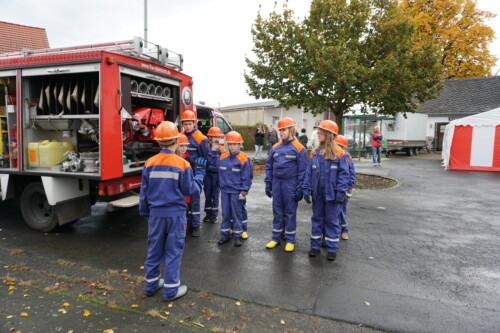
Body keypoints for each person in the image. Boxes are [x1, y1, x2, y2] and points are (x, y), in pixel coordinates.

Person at [139, 121, 206, 301]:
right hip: (175, 215)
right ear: (176, 140)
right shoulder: (182, 164)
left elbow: (144, 194)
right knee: (173, 252)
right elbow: (191, 191)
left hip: (155, 215)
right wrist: (199, 175)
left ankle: (151, 285)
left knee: (154, 251)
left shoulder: (149, 163)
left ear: (159, 142)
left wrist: (147, 213)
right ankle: (170, 290)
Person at [303, 120, 349, 261]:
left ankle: (332, 248)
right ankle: (315, 246)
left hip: (333, 195)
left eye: (321, 132)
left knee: (332, 221)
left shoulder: (340, 153)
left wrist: (341, 193)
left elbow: (344, 175)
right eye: (318, 132)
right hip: (318, 194)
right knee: (317, 220)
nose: (318, 134)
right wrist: (306, 188)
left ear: (329, 134)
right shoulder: (315, 152)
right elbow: (309, 172)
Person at [265, 117, 307, 252]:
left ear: (291, 130)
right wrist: (268, 184)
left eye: (284, 130)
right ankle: (276, 238)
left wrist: (300, 189)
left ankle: (290, 239)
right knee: (277, 211)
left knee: (289, 213)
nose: (281, 132)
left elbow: (302, 170)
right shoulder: (275, 147)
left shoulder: (299, 148)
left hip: (291, 184)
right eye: (280, 130)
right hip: (277, 184)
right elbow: (269, 166)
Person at [217, 131, 252, 247]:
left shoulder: (243, 159)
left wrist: (244, 191)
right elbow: (216, 171)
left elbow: (246, 177)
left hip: (236, 192)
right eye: (230, 144)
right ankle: (225, 235)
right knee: (226, 214)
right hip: (225, 191)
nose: (231, 146)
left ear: (239, 145)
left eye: (234, 144)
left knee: (237, 214)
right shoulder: (222, 157)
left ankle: (238, 236)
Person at [181, 110, 210, 236]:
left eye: (189, 124)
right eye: (185, 124)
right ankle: (185, 224)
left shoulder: (201, 139)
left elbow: (206, 158)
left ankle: (196, 225)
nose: (187, 127)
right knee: (184, 201)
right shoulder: (180, 136)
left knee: (195, 200)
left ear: (194, 123)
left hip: (194, 173)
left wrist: (200, 170)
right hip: (182, 173)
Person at [334, 135, 356, 240]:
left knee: (341, 210)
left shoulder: (346, 156)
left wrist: (350, 187)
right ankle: (337, 230)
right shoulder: (335, 155)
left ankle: (344, 230)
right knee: (336, 210)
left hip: (344, 188)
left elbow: (351, 173)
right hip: (337, 188)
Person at [203, 127, 225, 224]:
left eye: (217, 136)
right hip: (207, 174)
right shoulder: (206, 148)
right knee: (208, 195)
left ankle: (214, 215)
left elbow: (223, 163)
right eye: (213, 137)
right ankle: (208, 214)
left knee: (215, 195)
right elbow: (206, 161)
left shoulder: (222, 150)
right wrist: (212, 150)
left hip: (216, 175)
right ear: (209, 138)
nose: (215, 138)